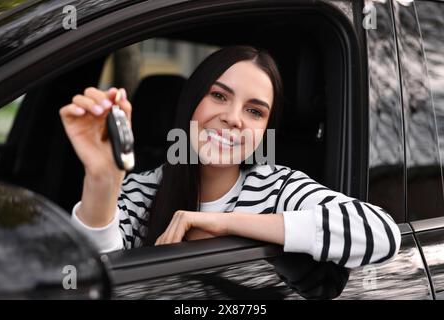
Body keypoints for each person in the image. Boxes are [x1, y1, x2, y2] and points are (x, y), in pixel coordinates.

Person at [60, 45, 401, 270]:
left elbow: (382, 233)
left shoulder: (278, 189)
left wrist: (222, 223)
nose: (234, 118)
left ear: (265, 130)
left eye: (254, 111)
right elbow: (84, 274)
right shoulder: (141, 189)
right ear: (192, 103)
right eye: (219, 96)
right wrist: (103, 181)